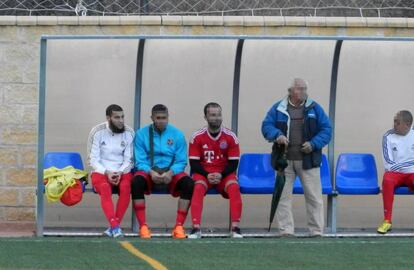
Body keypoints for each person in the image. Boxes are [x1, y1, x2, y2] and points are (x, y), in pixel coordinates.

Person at [261, 78, 332, 237]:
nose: (304, 92)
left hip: (309, 160)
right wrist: (277, 135)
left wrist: (313, 144)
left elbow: (327, 130)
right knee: (283, 197)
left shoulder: (315, 108)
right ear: (290, 91)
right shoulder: (278, 108)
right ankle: (286, 231)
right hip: (284, 161)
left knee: (314, 198)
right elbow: (266, 126)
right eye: (300, 89)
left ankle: (316, 231)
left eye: (305, 89)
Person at [131, 104, 194, 239]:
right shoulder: (141, 134)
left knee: (188, 183)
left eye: (164, 118)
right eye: (158, 118)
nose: (161, 121)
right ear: (152, 118)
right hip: (149, 172)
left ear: (168, 118)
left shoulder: (177, 134)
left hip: (171, 172)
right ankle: (143, 227)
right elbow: (139, 161)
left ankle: (178, 227)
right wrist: (150, 172)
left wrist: (171, 172)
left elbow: (181, 161)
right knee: (136, 182)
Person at [188, 102, 243, 239]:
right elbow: (193, 163)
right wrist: (207, 175)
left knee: (234, 187)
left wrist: (220, 174)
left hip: (224, 174)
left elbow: (233, 163)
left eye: (219, 115)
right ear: (205, 117)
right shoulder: (197, 137)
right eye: (213, 115)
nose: (217, 118)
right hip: (203, 174)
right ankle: (196, 229)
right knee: (198, 187)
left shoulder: (231, 137)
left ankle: (235, 228)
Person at [87, 104, 134, 238]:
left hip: (122, 170)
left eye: (122, 117)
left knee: (126, 187)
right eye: (117, 117)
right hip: (101, 171)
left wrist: (119, 172)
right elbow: (92, 159)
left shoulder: (129, 132)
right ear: (108, 118)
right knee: (104, 187)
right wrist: (107, 172)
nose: (121, 120)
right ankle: (115, 226)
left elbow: (129, 160)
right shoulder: (97, 131)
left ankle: (113, 227)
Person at [377, 110, 414, 234]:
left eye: (397, 122)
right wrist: (407, 164)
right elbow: (388, 163)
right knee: (387, 180)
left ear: (407, 125)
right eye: (394, 121)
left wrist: (402, 165)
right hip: (395, 174)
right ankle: (387, 221)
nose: (394, 125)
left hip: (412, 173)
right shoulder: (387, 136)